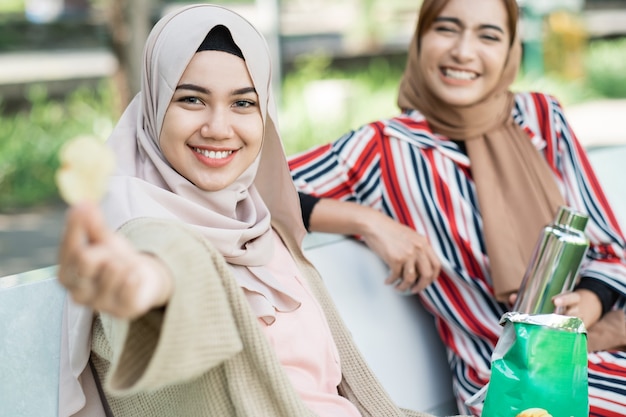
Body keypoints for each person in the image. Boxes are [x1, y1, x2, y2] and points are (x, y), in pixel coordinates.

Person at [55, 5, 447, 417]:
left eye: (243, 103)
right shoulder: (127, 218)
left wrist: (365, 219)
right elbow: (159, 263)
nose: (218, 127)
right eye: (191, 99)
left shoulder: (261, 229)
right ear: (155, 103)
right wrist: (153, 282)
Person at [288, 0, 626, 415]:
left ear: (509, 50)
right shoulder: (383, 148)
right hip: (507, 385)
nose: (464, 52)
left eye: (488, 35)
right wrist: (367, 220)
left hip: (601, 347)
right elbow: (263, 188)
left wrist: (592, 300)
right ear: (420, 38)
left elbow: (611, 249)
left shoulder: (541, 117)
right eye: (446, 29)